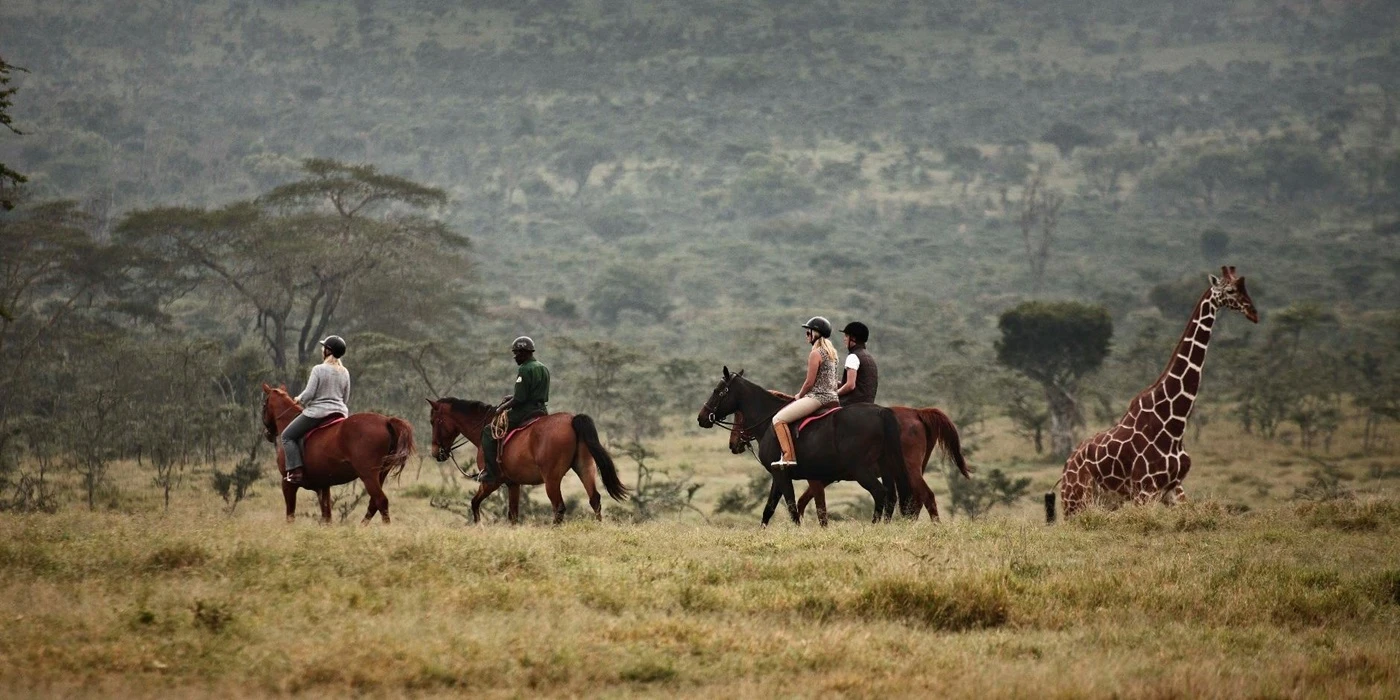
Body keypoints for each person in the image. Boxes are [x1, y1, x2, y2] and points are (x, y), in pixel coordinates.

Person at [471, 336, 550, 483]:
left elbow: (520, 399)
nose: (515, 357)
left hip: (525, 411)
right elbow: (530, 393)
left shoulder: (525, 369)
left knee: (489, 431)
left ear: (524, 352)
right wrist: (511, 397)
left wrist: (501, 408)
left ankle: (491, 472)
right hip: (541, 410)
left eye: (516, 353)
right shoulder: (542, 367)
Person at [771, 317, 841, 468]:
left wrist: (799, 396)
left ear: (814, 333)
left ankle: (788, 457)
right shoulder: (833, 354)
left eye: (807, 331)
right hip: (833, 398)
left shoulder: (815, 353)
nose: (806, 335)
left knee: (778, 419)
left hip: (817, 398)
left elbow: (809, 382)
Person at [283, 335, 351, 485]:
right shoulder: (345, 372)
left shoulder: (318, 369)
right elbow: (345, 398)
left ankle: (296, 471)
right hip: (340, 413)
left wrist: (299, 399)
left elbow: (309, 394)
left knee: (287, 436)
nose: (322, 349)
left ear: (328, 351)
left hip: (318, 413)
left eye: (324, 347)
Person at [836, 321, 878, 407]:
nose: (844, 339)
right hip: (868, 404)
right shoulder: (869, 357)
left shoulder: (853, 356)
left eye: (846, 336)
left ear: (853, 338)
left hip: (851, 404)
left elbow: (850, 385)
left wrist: (834, 394)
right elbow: (860, 384)